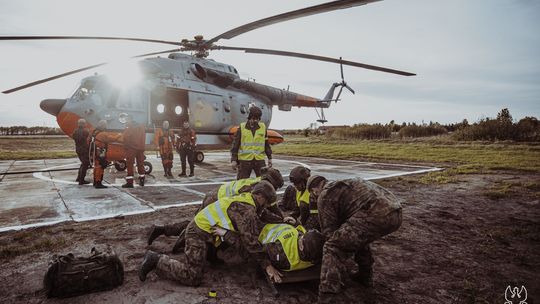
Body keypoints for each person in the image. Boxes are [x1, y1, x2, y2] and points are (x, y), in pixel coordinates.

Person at [138, 181, 281, 286]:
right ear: (261, 197)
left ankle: (209, 254)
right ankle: (156, 259)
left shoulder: (247, 197)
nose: (267, 207)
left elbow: (261, 216)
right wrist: (267, 265)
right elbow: (250, 243)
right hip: (198, 233)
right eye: (267, 203)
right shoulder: (246, 211)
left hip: (208, 231)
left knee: (218, 255)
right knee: (192, 277)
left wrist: (281, 220)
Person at [306, 175, 403, 303]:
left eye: (313, 194)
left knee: (332, 246)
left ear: (314, 189)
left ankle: (327, 295)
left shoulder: (325, 194)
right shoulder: (341, 184)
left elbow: (329, 233)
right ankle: (365, 277)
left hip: (376, 215)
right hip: (396, 212)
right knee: (357, 237)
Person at [258, 224, 325, 276]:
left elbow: (259, 250)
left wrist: (267, 265)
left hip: (265, 231)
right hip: (277, 228)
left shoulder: (281, 254)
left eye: (302, 237)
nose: (301, 236)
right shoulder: (316, 256)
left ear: (301, 247)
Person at [230, 106, 272, 179]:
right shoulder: (242, 127)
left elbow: (266, 144)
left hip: (259, 160)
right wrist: (233, 160)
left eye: (257, 119)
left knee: (264, 181)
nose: (255, 121)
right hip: (245, 161)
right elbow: (235, 145)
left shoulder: (263, 127)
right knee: (241, 184)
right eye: (253, 118)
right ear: (249, 117)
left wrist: (270, 158)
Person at [90, 120, 122, 189]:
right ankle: (98, 182)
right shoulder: (103, 134)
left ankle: (95, 181)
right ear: (103, 126)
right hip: (100, 152)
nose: (106, 126)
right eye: (105, 125)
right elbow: (112, 139)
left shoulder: (95, 132)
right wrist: (118, 135)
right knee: (100, 167)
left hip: (95, 151)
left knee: (96, 166)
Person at [122, 115, 146, 188]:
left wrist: (126, 145)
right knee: (140, 164)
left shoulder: (129, 126)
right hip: (140, 148)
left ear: (130, 119)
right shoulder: (141, 126)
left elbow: (125, 136)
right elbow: (143, 137)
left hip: (131, 148)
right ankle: (142, 180)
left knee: (130, 164)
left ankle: (130, 183)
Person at [72, 118, 90, 185]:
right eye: (84, 123)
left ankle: (79, 178)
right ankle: (81, 180)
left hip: (78, 149)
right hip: (83, 149)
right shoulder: (85, 131)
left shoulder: (75, 131)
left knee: (83, 163)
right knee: (85, 164)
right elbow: (87, 135)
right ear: (83, 124)